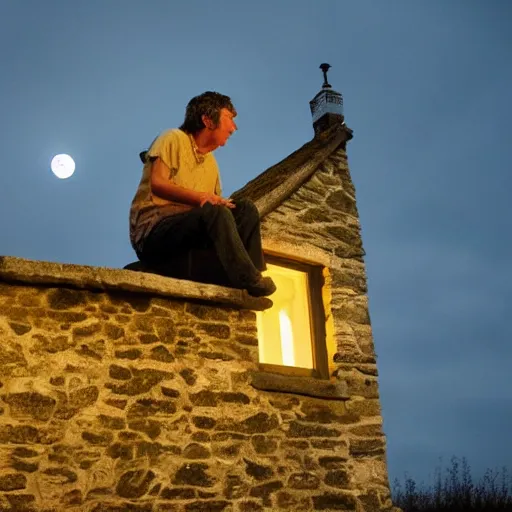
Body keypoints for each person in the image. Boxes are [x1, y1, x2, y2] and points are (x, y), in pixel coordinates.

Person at [129, 91, 276, 297]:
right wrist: (202, 198)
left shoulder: (211, 163)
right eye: (229, 119)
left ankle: (251, 273)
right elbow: (158, 183)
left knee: (245, 209)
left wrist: (220, 203)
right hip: (156, 234)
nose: (234, 127)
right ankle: (247, 278)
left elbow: (215, 218)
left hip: (189, 240)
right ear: (207, 120)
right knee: (216, 212)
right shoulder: (172, 138)